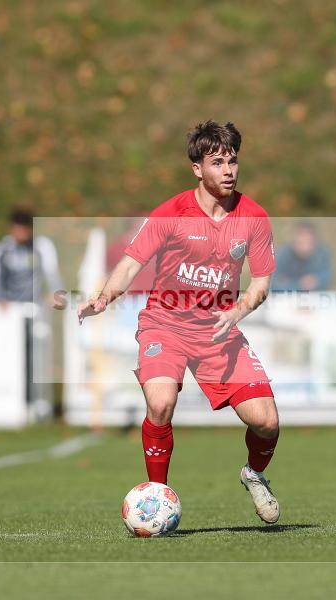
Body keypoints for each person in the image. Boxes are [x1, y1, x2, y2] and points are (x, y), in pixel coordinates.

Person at [78, 120, 281, 524]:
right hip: (165, 325)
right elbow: (132, 263)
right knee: (160, 402)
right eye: (217, 161)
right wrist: (104, 296)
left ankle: (254, 474)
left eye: (233, 160)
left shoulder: (253, 217)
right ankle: (157, 493)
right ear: (197, 169)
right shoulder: (170, 213)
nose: (229, 170)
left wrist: (237, 311)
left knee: (267, 422)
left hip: (218, 330)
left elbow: (261, 283)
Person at [0, 207, 65, 307]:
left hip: (35, 306)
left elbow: (52, 272)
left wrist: (56, 292)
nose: (22, 230)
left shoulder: (41, 246)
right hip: (9, 308)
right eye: (19, 226)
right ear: (11, 227)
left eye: (26, 225)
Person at [271, 221, 331, 291]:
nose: (305, 247)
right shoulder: (283, 253)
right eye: (301, 243)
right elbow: (273, 282)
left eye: (309, 242)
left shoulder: (322, 254)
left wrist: (316, 281)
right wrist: (300, 285)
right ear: (294, 240)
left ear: (315, 241)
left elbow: (326, 279)